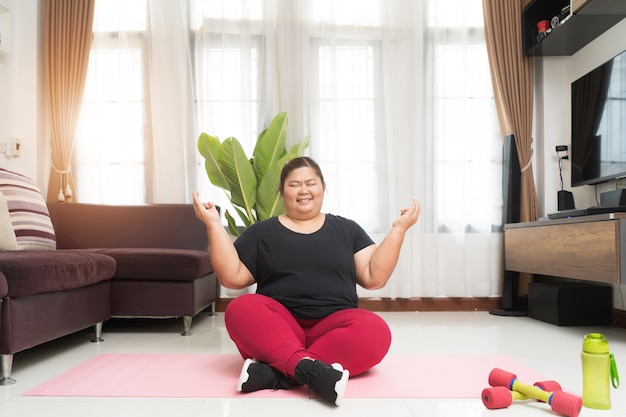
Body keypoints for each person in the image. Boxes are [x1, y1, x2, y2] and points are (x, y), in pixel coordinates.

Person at [192, 156, 420, 406]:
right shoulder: (261, 232)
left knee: (376, 331)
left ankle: (278, 373)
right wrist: (213, 224)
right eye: (294, 184)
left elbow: (374, 277)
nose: (304, 190)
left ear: (323, 187)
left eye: (311, 183)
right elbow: (232, 277)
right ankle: (312, 371)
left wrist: (398, 229)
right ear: (281, 192)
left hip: (334, 330)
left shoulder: (347, 230)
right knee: (241, 308)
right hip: (277, 333)